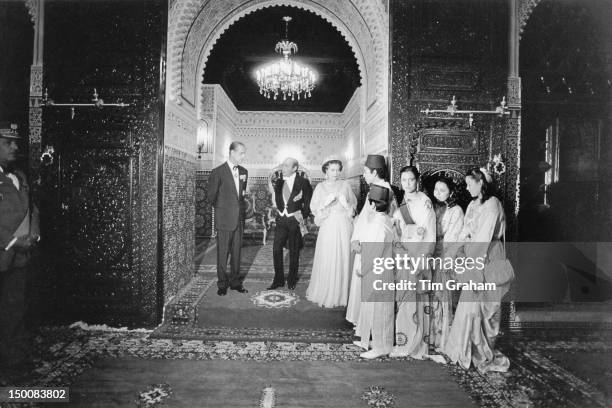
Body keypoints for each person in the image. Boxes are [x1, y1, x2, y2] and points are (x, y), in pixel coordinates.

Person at [443, 167, 512, 373]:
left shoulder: (493, 205)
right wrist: (455, 252)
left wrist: (470, 261)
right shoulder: (473, 204)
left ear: (481, 182)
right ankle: (464, 349)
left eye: (469, 183)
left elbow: (483, 238)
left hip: (489, 255)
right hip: (474, 255)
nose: (466, 187)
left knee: (487, 307)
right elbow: (465, 232)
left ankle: (482, 352)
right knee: (470, 304)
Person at [0, 123, 40, 373]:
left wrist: (34, 233)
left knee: (15, 309)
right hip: (4, 251)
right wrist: (13, 240)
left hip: (19, 257)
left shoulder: (20, 176)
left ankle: (14, 363)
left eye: (16, 142)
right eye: (7, 142)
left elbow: (32, 208)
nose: (15, 147)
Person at [346, 155, 397, 333]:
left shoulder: (383, 190)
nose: (364, 175)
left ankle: (368, 325)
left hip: (375, 239)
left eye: (366, 172)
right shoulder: (375, 188)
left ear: (375, 172)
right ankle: (362, 321)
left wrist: (358, 238)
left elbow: (382, 219)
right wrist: (355, 237)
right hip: (368, 237)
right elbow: (364, 217)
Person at [390, 165, 436, 359]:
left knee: (415, 302)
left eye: (411, 180)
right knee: (404, 301)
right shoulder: (402, 201)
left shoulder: (425, 202)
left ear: (417, 181)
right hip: (403, 255)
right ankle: (403, 342)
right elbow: (398, 226)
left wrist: (420, 260)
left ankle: (415, 345)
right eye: (404, 180)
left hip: (418, 256)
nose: (407, 184)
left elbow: (429, 234)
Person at [306, 159, 357, 308]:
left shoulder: (345, 185)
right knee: (328, 256)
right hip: (328, 225)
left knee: (343, 256)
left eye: (337, 170)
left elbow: (352, 206)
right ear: (326, 171)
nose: (335, 173)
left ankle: (343, 293)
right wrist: (325, 203)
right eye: (332, 170)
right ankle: (327, 291)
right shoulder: (320, 187)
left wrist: (346, 205)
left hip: (344, 225)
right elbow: (314, 208)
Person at [354, 184, 396, 359]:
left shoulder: (379, 223)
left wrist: (362, 269)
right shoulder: (383, 219)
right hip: (380, 268)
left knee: (382, 310)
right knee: (375, 307)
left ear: (372, 205)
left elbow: (375, 250)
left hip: (380, 270)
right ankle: (377, 341)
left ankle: (382, 347)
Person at [207, 142, 249, 296]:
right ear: (232, 152)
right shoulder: (218, 172)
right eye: (241, 153)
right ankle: (222, 284)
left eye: (244, 153)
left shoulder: (244, 171)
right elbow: (211, 196)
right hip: (224, 218)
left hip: (239, 219)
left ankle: (236, 283)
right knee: (223, 253)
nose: (243, 156)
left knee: (237, 253)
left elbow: (241, 194)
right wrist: (223, 210)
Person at [268, 158, 313, 291]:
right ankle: (278, 280)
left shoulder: (303, 182)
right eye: (283, 165)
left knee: (294, 251)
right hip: (281, 220)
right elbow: (277, 198)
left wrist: (301, 216)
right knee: (276, 249)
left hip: (295, 220)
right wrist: (281, 210)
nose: (283, 168)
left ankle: (292, 280)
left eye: (286, 166)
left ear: (294, 168)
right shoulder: (279, 182)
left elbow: (308, 202)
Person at [430, 176, 464, 352]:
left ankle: (443, 339)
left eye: (442, 190)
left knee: (443, 296)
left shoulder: (456, 210)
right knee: (431, 295)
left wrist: (446, 259)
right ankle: (431, 336)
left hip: (445, 255)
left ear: (451, 192)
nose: (438, 193)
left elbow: (454, 238)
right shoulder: (433, 207)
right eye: (436, 189)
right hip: (431, 253)